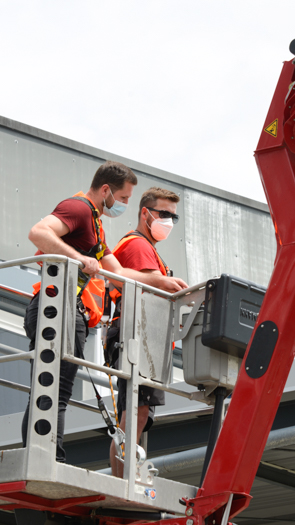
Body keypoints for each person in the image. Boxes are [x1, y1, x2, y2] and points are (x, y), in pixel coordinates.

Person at [22, 161, 187, 463]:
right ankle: (46, 459)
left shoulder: (96, 227)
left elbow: (119, 274)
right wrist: (79, 258)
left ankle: (48, 456)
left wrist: (160, 281)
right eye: (123, 198)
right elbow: (39, 232)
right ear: (106, 190)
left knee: (57, 390)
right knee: (52, 389)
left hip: (68, 309)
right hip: (55, 305)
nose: (124, 204)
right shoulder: (79, 208)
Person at [107, 187, 184, 477]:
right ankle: (122, 481)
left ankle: (125, 477)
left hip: (143, 336)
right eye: (163, 213)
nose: (168, 221)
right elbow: (156, 287)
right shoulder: (138, 246)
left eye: (173, 216)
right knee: (135, 414)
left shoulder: (147, 248)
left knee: (138, 415)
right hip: (137, 336)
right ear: (145, 213)